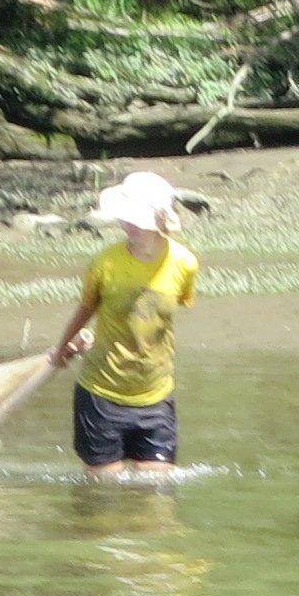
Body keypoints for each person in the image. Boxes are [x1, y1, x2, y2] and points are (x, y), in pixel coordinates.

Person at [49, 169, 198, 478]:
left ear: (159, 221)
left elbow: (160, 314)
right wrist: (64, 348)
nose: (128, 225)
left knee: (157, 494)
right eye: (126, 217)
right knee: (102, 496)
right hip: (101, 394)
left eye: (137, 220)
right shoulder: (105, 263)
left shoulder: (184, 263)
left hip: (156, 395)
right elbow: (85, 310)